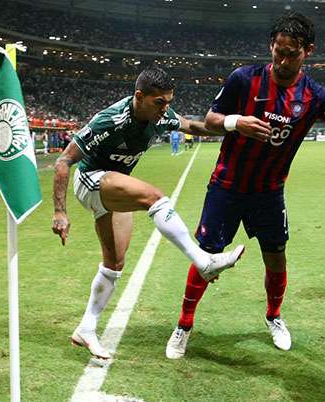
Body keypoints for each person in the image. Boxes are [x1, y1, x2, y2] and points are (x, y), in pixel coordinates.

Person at [165, 12, 325, 360]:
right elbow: (211, 120)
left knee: (276, 258)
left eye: (292, 53)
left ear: (308, 51)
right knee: (206, 258)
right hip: (226, 187)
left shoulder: (316, 96)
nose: (283, 59)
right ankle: (184, 326)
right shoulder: (244, 79)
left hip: (269, 192)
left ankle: (274, 317)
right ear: (271, 46)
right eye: (278, 51)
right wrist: (235, 122)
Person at [51, 67, 245, 359]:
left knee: (114, 264)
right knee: (154, 197)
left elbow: (192, 127)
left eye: (168, 102)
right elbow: (64, 161)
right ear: (139, 96)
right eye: (159, 102)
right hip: (90, 181)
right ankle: (203, 260)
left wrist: (234, 125)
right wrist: (59, 212)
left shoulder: (162, 115)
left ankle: (86, 328)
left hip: (113, 188)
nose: (165, 109)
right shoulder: (109, 120)